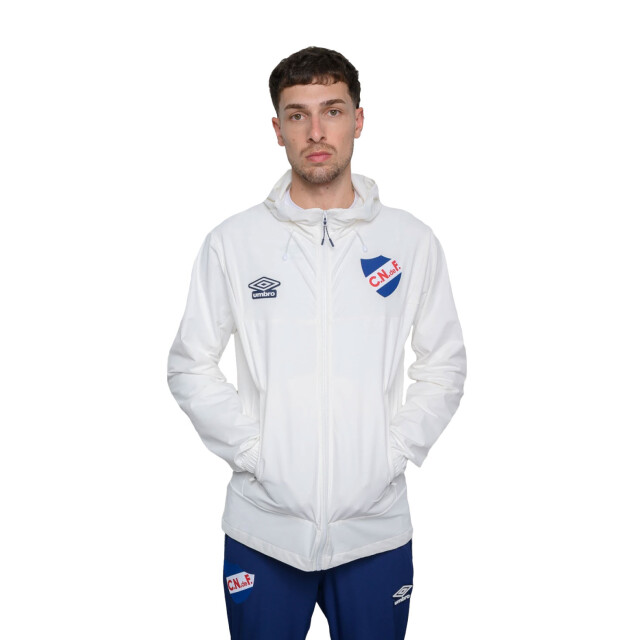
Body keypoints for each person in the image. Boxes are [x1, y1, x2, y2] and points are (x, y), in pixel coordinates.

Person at [167, 46, 467, 640]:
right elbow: (189, 364)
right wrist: (254, 452)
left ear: (359, 119)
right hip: (264, 529)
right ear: (277, 129)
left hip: (374, 529)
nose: (316, 131)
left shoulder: (411, 241)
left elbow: (444, 364)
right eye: (297, 115)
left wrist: (393, 452)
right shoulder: (235, 243)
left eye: (332, 110)